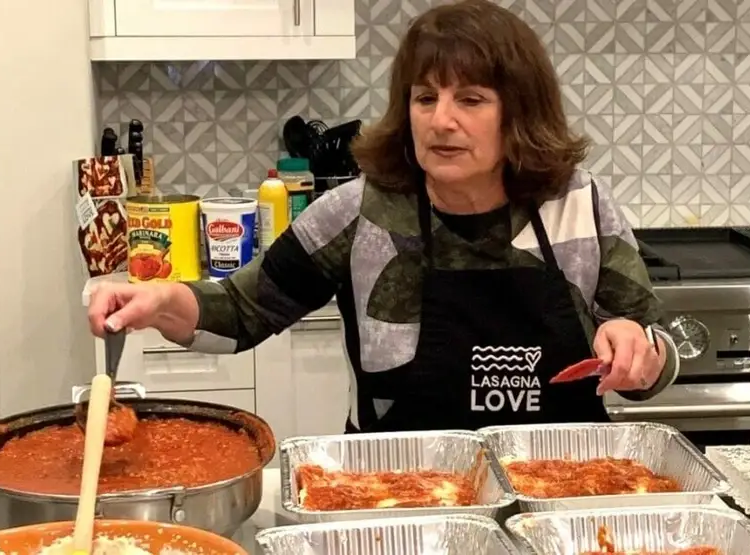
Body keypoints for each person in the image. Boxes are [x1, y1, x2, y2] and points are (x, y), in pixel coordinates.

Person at [88, 0, 680, 433]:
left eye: (470, 99)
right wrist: (165, 301)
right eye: (426, 98)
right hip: (397, 499)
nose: (440, 119)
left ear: (519, 114)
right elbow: (244, 310)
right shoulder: (361, 210)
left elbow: (655, 357)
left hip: (561, 495)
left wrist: (639, 351)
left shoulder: (579, 203)